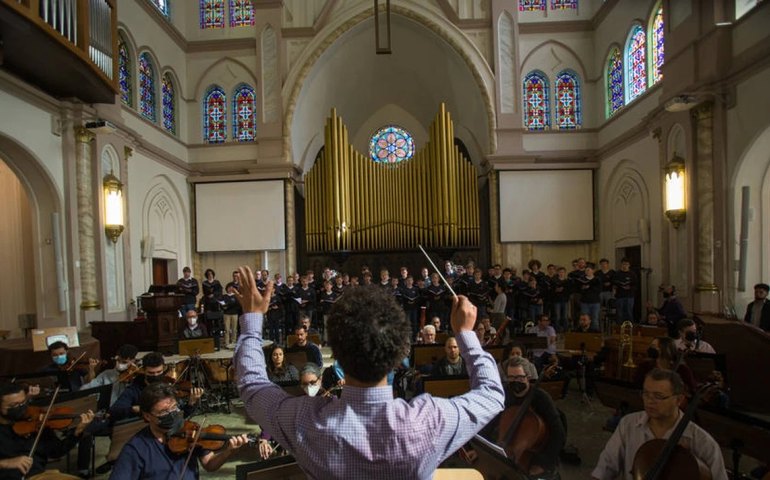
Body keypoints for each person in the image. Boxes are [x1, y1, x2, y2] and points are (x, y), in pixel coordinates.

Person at [234, 265, 504, 479]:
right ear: (399, 354)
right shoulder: (429, 423)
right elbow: (492, 395)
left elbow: (252, 386)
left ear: (336, 354)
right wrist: (466, 335)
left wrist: (252, 320)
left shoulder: (306, 422)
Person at [592, 369, 728, 480]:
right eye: (646, 394)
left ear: (679, 400)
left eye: (658, 396)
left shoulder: (702, 442)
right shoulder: (628, 424)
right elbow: (606, 467)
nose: (650, 401)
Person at [109, 383, 250, 480]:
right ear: (147, 415)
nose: (172, 414)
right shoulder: (135, 449)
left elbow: (209, 465)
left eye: (174, 408)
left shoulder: (189, 429)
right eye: (164, 411)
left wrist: (229, 451)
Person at [483, 357, 565, 478]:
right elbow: (490, 421)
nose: (515, 381)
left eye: (519, 377)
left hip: (534, 458)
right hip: (505, 451)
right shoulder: (505, 394)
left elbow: (559, 434)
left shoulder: (542, 398)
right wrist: (478, 448)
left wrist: (543, 464)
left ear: (528, 377)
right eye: (511, 377)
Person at [0, 382, 95, 479]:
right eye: (14, 405)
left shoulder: (36, 423)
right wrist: (6, 463)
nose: (21, 408)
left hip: (37, 476)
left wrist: (77, 432)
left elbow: (56, 451)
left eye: (23, 402)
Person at [110, 352, 203, 423]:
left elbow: (180, 416)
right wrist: (136, 409)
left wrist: (191, 403)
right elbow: (115, 411)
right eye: (151, 373)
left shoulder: (167, 386)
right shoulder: (133, 390)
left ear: (164, 368)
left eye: (159, 372)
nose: (156, 376)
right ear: (143, 370)